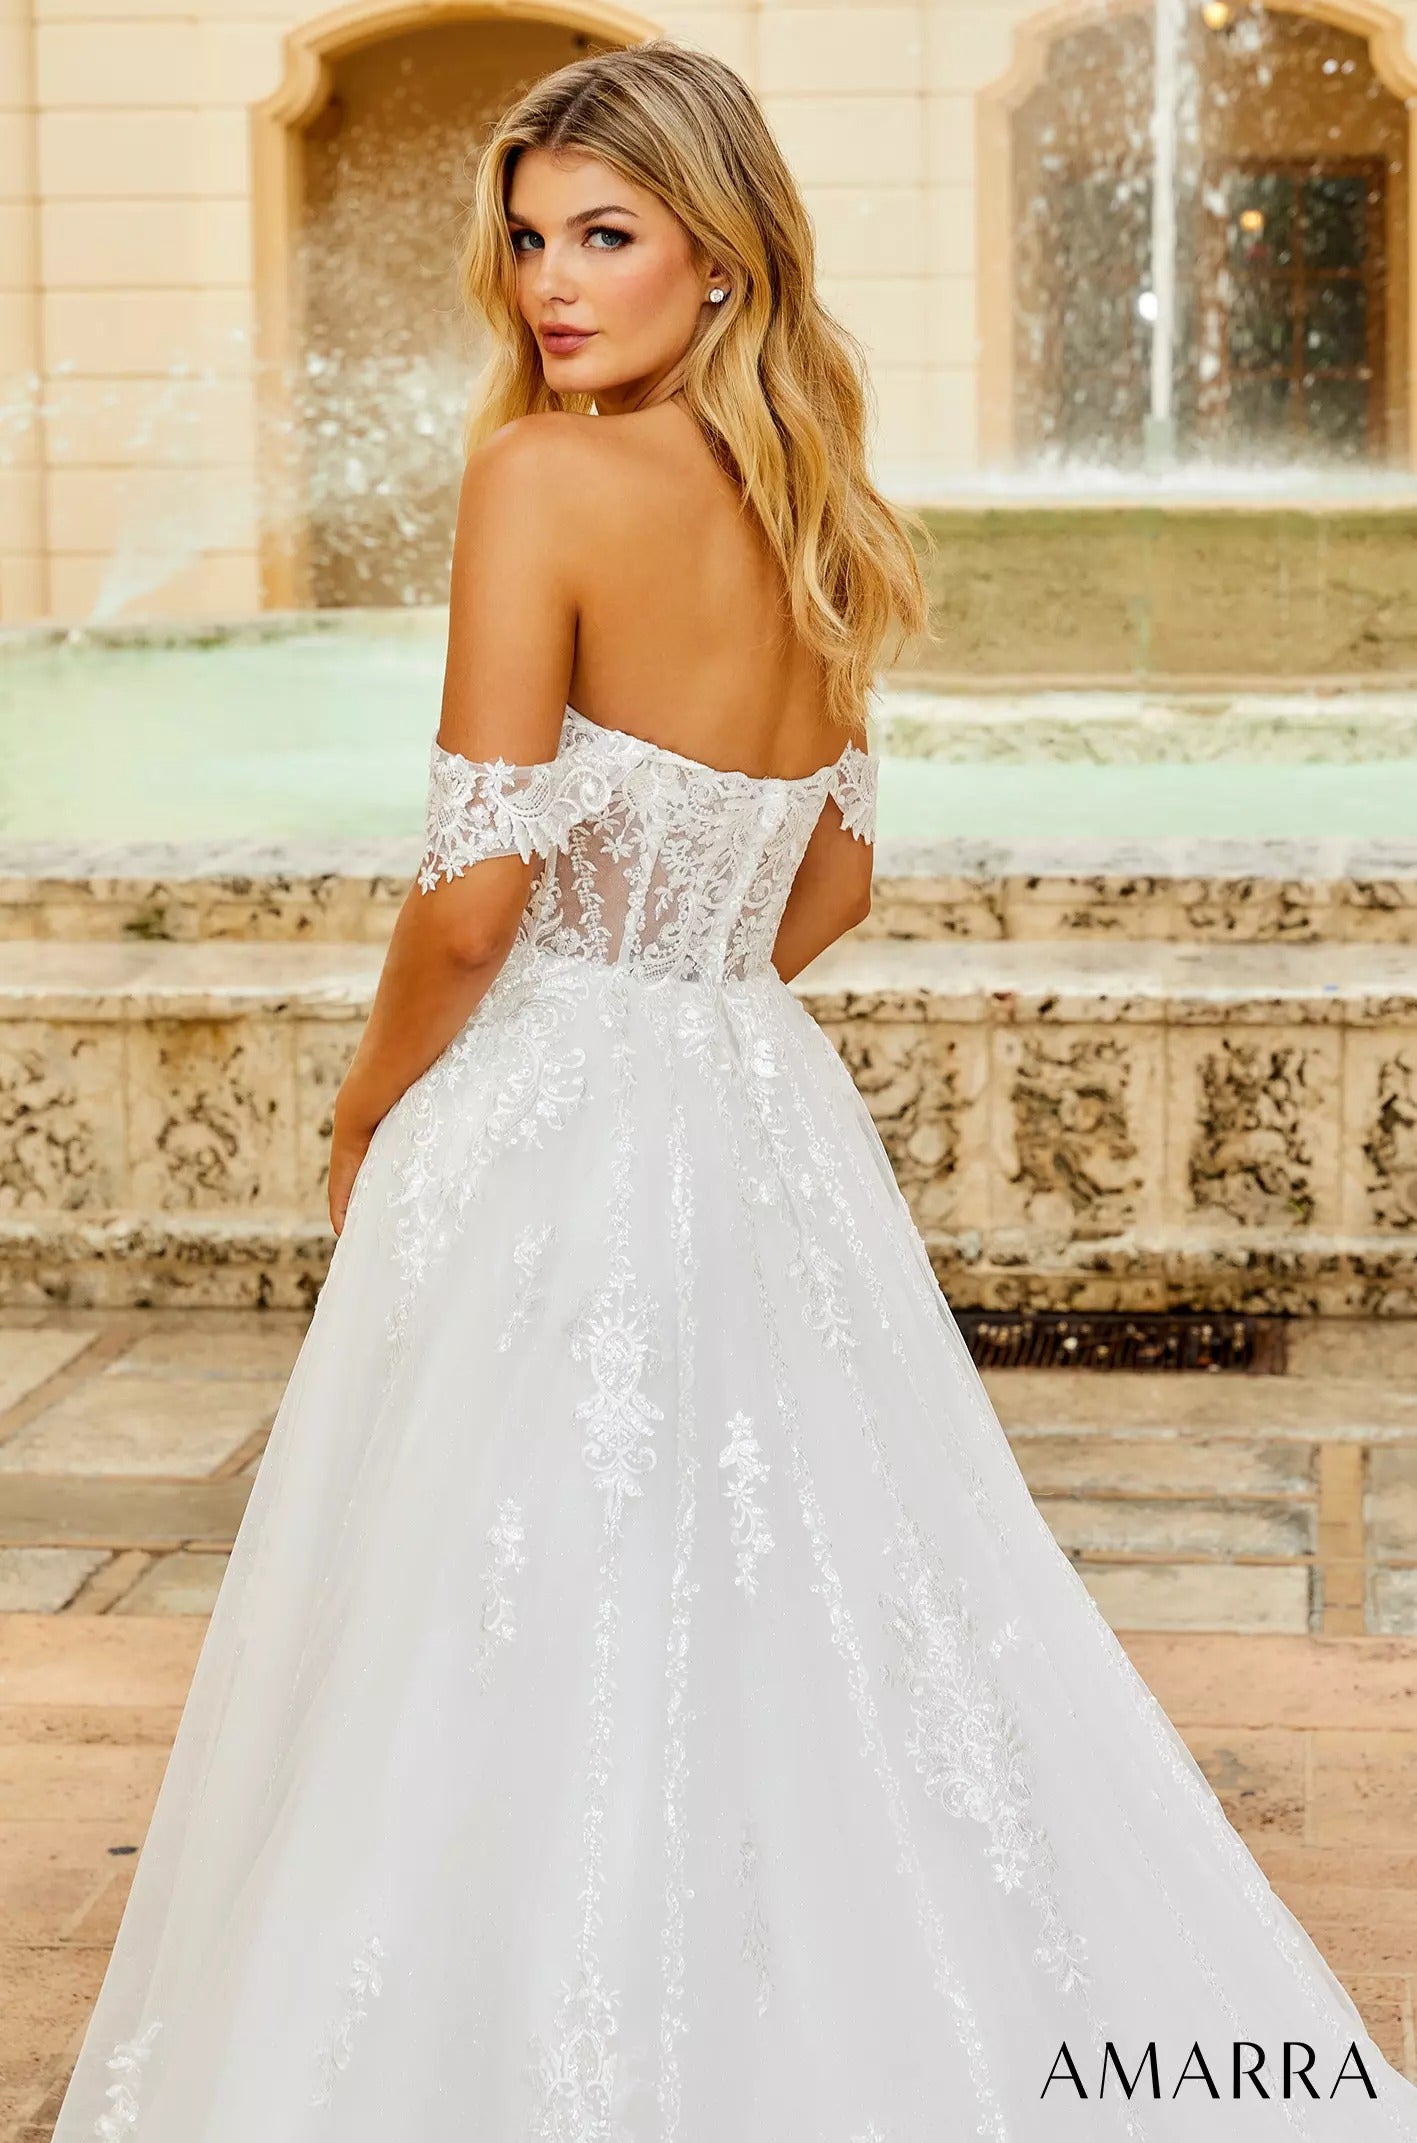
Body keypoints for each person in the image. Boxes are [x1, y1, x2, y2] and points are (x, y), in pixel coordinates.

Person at [51, 42, 1417, 2143]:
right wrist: (686, 991)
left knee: (506, 1608)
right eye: (526, 242)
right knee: (801, 1600)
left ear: (719, 251)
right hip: (752, 1111)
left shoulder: (537, 480)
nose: (548, 288)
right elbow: (840, 869)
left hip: (562, 1105)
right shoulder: (811, 495)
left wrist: (369, 1112)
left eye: (604, 237)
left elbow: (477, 891)